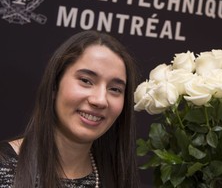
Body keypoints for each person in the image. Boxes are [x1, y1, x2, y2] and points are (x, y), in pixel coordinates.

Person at [0, 30, 140, 188]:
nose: (100, 100)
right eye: (86, 81)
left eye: (115, 89)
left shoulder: (119, 178)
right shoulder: (4, 166)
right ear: (54, 85)